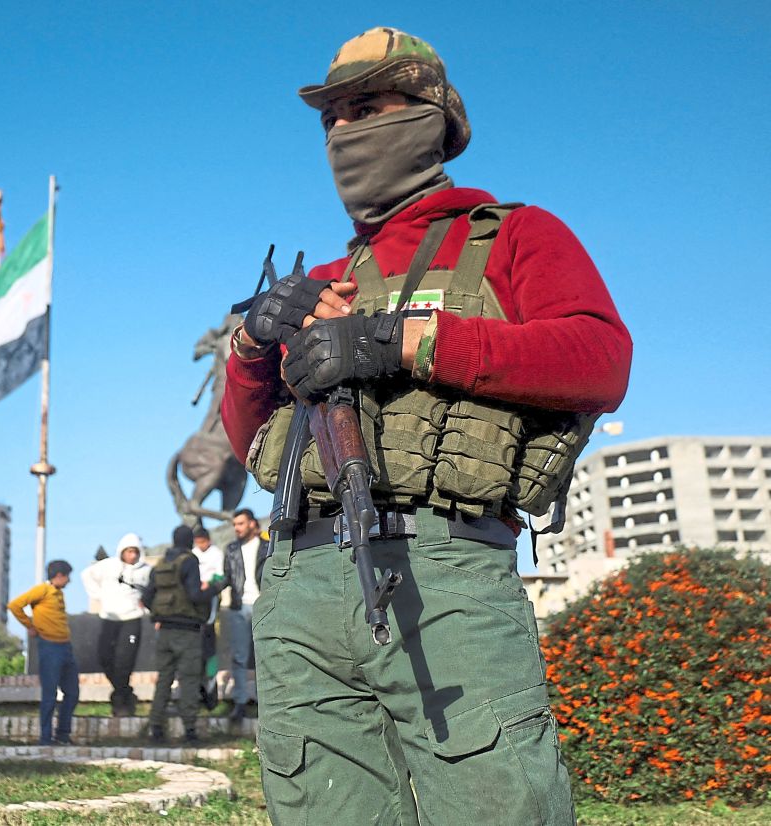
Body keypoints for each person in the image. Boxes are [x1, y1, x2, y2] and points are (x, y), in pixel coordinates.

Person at [222, 28, 631, 825]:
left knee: (495, 805)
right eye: (332, 118)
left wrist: (399, 339)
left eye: (366, 108)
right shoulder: (328, 280)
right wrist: (251, 342)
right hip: (299, 582)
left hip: (443, 569)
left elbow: (598, 358)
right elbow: (255, 446)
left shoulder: (512, 234)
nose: (343, 132)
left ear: (429, 117)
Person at [142, 525, 213, 745]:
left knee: (164, 679)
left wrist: (161, 614)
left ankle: (156, 728)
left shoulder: (161, 565)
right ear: (190, 541)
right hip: (187, 631)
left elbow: (147, 598)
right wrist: (215, 588)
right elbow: (194, 594)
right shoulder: (189, 561)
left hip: (164, 631)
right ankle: (189, 730)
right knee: (189, 679)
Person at [8, 560, 79, 746]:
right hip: (49, 647)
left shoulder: (59, 594)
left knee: (72, 693)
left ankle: (62, 735)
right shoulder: (42, 590)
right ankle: (45, 739)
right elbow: (15, 605)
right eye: (67, 577)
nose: (69, 581)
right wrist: (29, 626)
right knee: (49, 695)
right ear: (59, 576)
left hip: (65, 647)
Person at [80, 532, 150, 717]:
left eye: (135, 552)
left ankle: (121, 702)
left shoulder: (146, 570)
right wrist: (99, 595)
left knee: (125, 661)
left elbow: (154, 590)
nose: (132, 556)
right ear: (122, 551)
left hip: (132, 619)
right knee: (105, 657)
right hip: (110, 618)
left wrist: (147, 604)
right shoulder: (109, 565)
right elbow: (86, 575)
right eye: (128, 552)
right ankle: (126, 693)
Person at [223, 508, 268, 721]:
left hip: (264, 605)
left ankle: (266, 704)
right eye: (234, 525)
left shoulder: (268, 546)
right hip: (239, 607)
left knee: (265, 656)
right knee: (239, 657)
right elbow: (226, 578)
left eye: (240, 524)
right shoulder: (231, 549)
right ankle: (240, 703)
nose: (237, 528)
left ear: (251, 523)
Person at [191, 526, 226, 711]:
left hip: (210, 600)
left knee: (209, 648)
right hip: (195, 604)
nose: (200, 545)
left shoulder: (216, 554)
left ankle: (211, 694)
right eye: (198, 542)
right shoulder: (192, 554)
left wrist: (210, 583)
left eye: (202, 541)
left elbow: (221, 576)